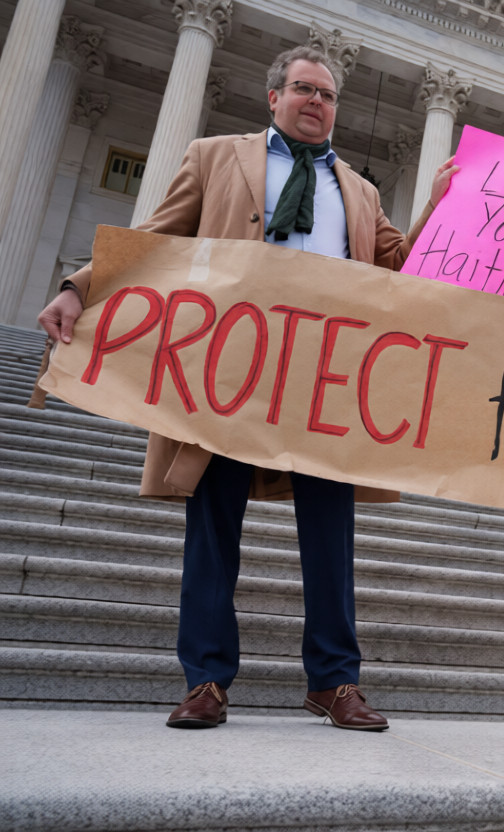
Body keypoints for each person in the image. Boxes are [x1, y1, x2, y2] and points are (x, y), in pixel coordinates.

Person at [37, 46, 459, 732]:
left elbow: (400, 270)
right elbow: (154, 239)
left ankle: (335, 681)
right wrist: (77, 286)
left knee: (331, 534)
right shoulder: (214, 157)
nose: (316, 101)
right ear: (274, 96)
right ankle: (205, 680)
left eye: (326, 94)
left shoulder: (358, 190)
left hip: (324, 381)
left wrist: (439, 211)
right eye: (303, 89)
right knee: (212, 527)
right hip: (230, 373)